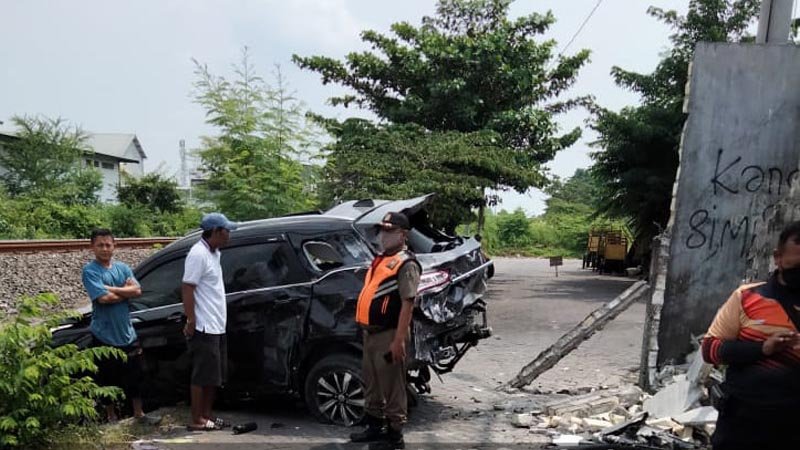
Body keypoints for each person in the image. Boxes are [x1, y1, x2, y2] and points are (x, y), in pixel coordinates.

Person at [701, 220, 800, 450]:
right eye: (796, 267)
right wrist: (763, 348)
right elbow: (709, 349)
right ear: (777, 258)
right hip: (742, 427)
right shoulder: (746, 297)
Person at [350, 212, 421, 450]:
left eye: (389, 231)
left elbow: (408, 303)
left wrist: (399, 340)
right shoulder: (381, 259)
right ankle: (373, 426)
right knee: (372, 383)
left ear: (403, 234)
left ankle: (394, 434)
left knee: (392, 386)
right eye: (382, 231)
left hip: (390, 334)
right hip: (370, 334)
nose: (383, 235)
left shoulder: (406, 263)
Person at [82, 228, 160, 424]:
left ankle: (138, 414)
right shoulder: (90, 271)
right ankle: (111, 417)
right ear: (92, 247)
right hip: (103, 334)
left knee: (136, 375)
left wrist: (112, 288)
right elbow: (104, 299)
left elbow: (138, 290)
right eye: (100, 245)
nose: (105, 248)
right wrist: (124, 291)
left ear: (114, 246)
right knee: (107, 377)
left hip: (127, 333)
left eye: (108, 244)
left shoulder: (123, 268)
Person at [182, 212, 237, 431]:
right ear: (215, 231)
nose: (229, 235)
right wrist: (191, 319)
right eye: (226, 231)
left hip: (217, 323)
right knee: (202, 374)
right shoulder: (197, 254)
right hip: (204, 324)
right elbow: (187, 287)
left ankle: (207, 416)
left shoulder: (215, 253)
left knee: (214, 375)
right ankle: (197, 420)